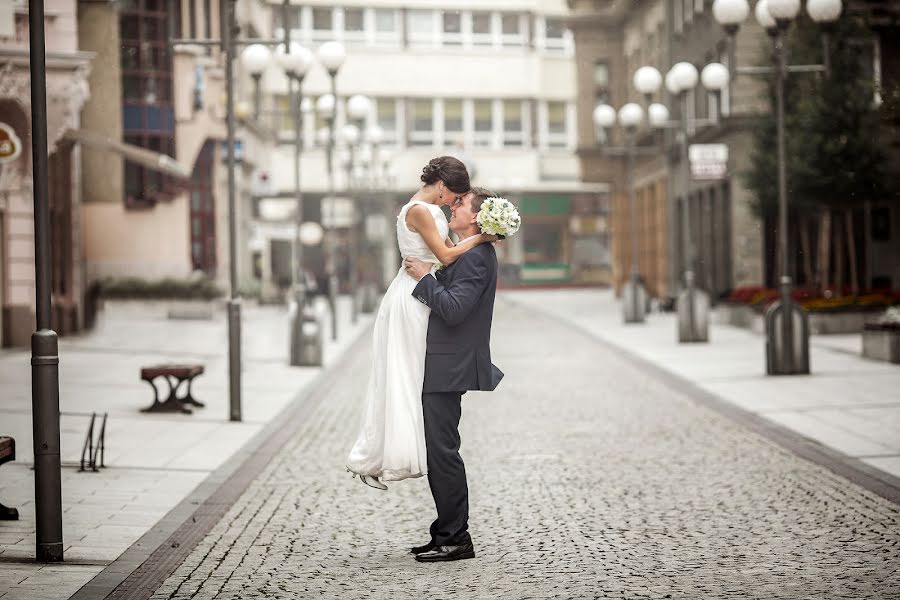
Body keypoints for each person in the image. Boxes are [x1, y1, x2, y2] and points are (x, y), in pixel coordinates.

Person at [345, 157, 495, 490]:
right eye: (454, 196)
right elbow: (445, 255)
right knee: (403, 375)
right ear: (441, 186)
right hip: (413, 294)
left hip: (423, 289)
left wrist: (469, 244)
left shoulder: (432, 211)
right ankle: (377, 455)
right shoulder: (418, 210)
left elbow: (447, 253)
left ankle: (393, 452)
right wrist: (483, 238)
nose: (454, 203)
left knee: (411, 378)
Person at [402, 187, 505, 563]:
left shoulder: (477, 257)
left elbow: (456, 310)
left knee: (443, 452)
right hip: (442, 364)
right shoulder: (467, 252)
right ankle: (445, 531)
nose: (452, 206)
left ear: (476, 217)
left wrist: (426, 278)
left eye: (460, 203)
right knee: (439, 450)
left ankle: (456, 538)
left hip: (448, 367)